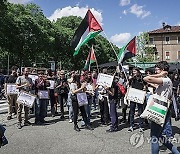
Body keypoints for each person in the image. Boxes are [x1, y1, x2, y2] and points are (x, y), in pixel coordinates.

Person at [143, 61, 180, 154]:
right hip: (163, 109)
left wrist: (159, 75)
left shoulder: (165, 80)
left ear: (163, 70)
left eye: (157, 69)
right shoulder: (166, 81)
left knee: (154, 137)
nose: (155, 71)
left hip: (159, 109)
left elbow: (146, 78)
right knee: (159, 135)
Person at [128, 68, 145, 132]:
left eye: (135, 71)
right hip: (133, 96)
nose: (134, 73)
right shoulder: (132, 79)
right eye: (133, 72)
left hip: (140, 96)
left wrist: (144, 89)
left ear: (138, 72)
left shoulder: (142, 79)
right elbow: (129, 86)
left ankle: (141, 126)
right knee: (132, 111)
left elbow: (146, 86)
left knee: (140, 111)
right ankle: (131, 125)